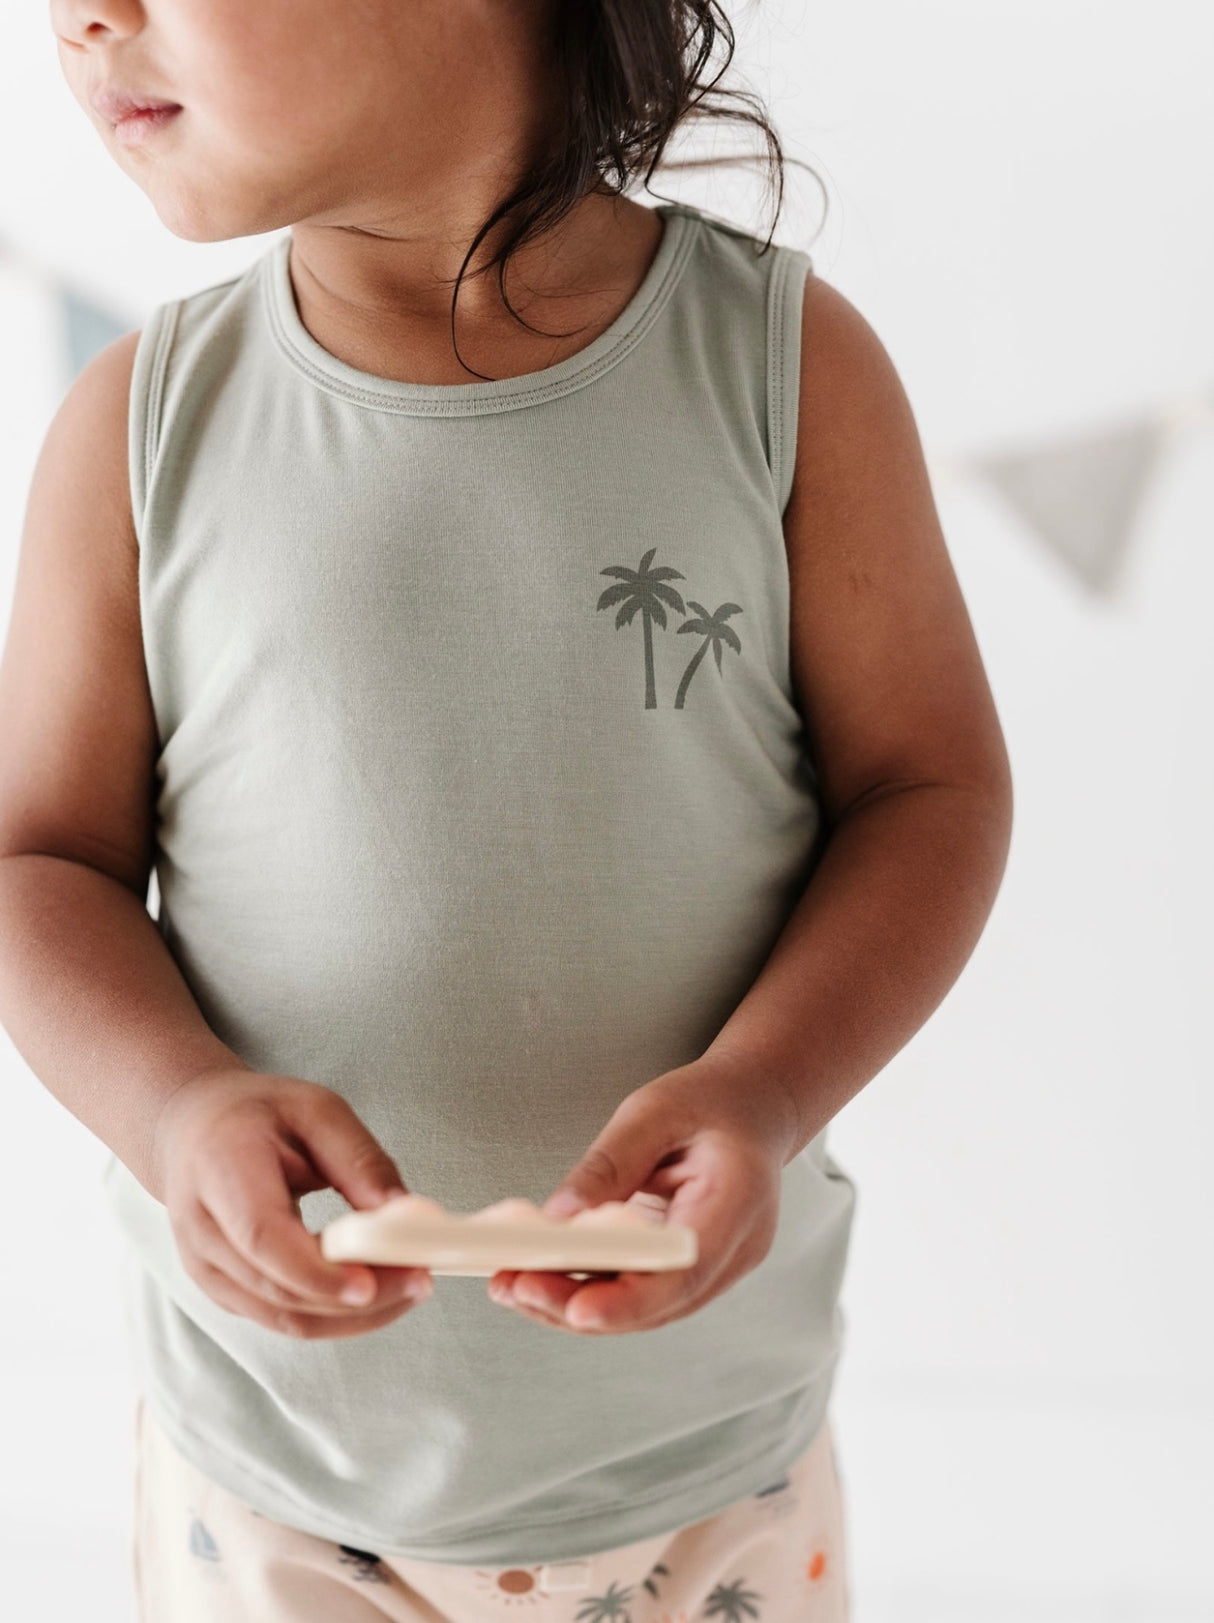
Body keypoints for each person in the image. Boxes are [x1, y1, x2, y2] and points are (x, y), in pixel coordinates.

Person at [0, 2, 1013, 1619]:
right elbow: (35, 863)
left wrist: (759, 1093)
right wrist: (173, 1103)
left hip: (706, 1472)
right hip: (273, 1486)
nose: (80, 16)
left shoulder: (779, 367)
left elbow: (927, 791)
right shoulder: (134, 430)